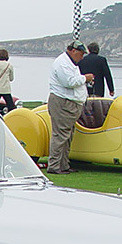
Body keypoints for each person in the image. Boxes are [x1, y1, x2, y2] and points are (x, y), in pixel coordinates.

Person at [46, 41, 93, 174]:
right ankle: (54, 166)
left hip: (70, 103)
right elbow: (69, 82)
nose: (82, 57)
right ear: (73, 51)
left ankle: (63, 164)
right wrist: (85, 78)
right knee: (61, 135)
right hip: (63, 103)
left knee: (67, 135)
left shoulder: (70, 63)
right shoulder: (62, 63)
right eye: (81, 54)